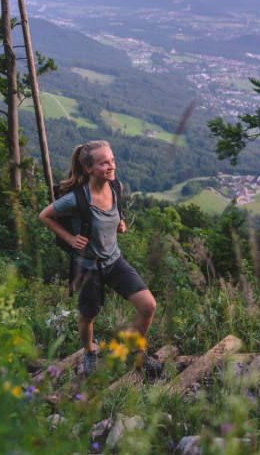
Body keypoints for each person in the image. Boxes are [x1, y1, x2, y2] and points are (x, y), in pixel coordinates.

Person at [39, 140, 160, 376]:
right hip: (87, 267)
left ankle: (134, 352)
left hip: (114, 261)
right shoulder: (76, 199)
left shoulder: (115, 186)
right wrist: (69, 238)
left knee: (148, 305)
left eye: (112, 160)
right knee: (88, 315)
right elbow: (44, 215)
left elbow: (113, 214)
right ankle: (89, 352)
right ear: (88, 168)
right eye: (104, 162)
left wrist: (119, 223)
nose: (111, 165)